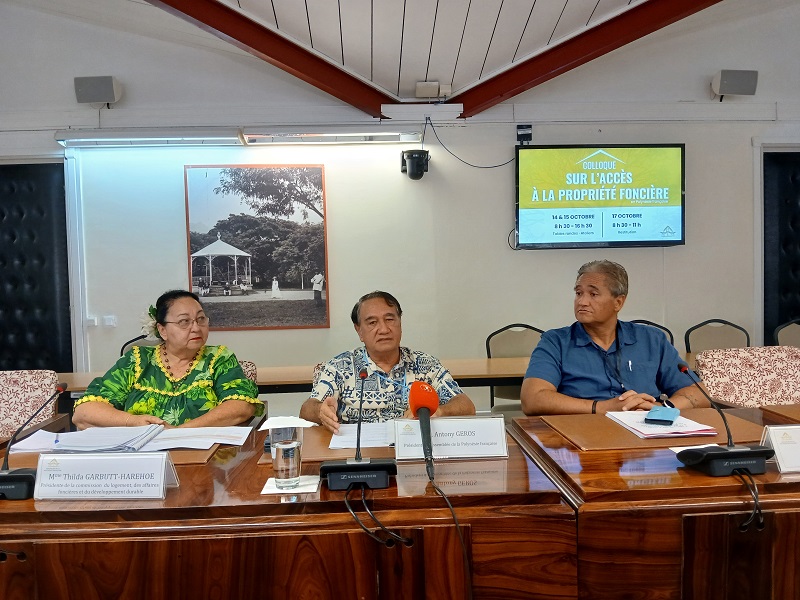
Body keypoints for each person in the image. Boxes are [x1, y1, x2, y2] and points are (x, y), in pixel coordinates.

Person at [520, 260, 710, 416]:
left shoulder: (652, 340)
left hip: (646, 435)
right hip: (582, 432)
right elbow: (533, 399)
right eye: (579, 293)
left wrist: (661, 410)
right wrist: (601, 408)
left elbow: (700, 394)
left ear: (618, 302)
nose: (582, 301)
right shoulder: (555, 341)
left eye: (593, 294)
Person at [73, 289, 263, 429]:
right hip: (142, 461)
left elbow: (241, 406)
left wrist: (180, 433)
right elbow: (84, 412)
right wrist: (134, 422)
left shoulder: (218, 358)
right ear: (162, 330)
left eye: (201, 319)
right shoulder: (137, 360)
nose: (196, 328)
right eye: (184, 322)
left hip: (202, 457)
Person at [300, 290, 476, 433]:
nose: (384, 329)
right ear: (359, 331)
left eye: (390, 319)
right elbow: (307, 409)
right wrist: (320, 411)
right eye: (372, 322)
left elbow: (466, 405)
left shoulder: (425, 365)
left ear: (400, 322)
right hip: (358, 457)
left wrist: (440, 411)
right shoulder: (340, 367)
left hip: (413, 453)